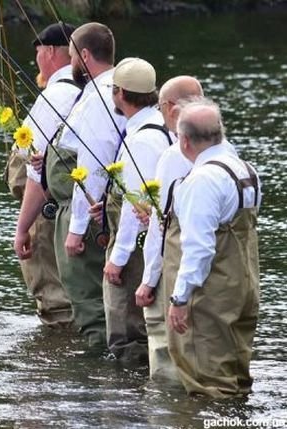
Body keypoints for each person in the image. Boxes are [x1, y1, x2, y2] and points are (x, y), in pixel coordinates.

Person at [165, 99, 261, 397]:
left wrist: (180, 298)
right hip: (243, 286)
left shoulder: (202, 180)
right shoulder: (247, 170)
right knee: (237, 378)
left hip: (210, 294)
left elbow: (199, 248)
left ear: (184, 141)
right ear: (220, 133)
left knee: (208, 385)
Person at [44, 22, 126, 347]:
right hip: (99, 210)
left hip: (89, 215)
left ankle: (100, 384)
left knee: (90, 302)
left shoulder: (99, 98)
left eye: (73, 55)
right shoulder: (111, 91)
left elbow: (91, 168)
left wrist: (76, 229)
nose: (70, 64)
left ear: (85, 55)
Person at [96, 57, 170, 364]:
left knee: (127, 334)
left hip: (137, 248)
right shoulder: (162, 127)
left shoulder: (140, 139)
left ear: (121, 94)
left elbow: (133, 205)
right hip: (153, 240)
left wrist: (118, 258)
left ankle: (126, 405)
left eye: (114, 89)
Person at [134, 75, 202, 381]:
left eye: (161, 107)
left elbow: (161, 226)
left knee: (164, 351)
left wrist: (148, 280)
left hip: (177, 267)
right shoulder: (224, 148)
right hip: (212, 268)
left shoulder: (174, 155)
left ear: (171, 108)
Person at [13, 23, 79, 328]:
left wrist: (22, 227)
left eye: (38, 52)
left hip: (49, 212)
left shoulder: (54, 96)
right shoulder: (97, 92)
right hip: (85, 212)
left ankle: (57, 364)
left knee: (54, 301)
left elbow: (35, 171)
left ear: (50, 52)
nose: (37, 60)